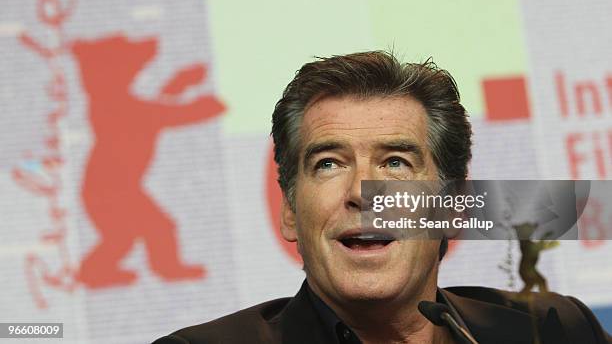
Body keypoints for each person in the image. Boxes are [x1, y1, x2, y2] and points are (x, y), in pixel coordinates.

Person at [153, 51, 611, 344]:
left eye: (395, 162)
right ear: (290, 210)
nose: (362, 194)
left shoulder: (554, 330)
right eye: (328, 163)